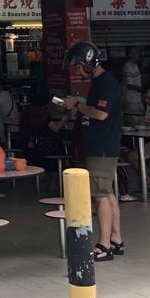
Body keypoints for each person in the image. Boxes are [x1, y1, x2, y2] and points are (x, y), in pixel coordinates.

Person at [61, 41, 124, 262]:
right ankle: (115, 239)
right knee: (107, 193)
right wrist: (80, 102)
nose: (77, 71)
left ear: (88, 62)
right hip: (101, 146)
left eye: (79, 66)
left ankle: (104, 244)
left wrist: (76, 105)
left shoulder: (106, 84)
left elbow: (100, 114)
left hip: (102, 147)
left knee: (100, 196)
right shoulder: (99, 83)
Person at [122, 48, 145, 123]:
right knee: (133, 120)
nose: (138, 55)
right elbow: (129, 85)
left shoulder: (135, 65)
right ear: (130, 55)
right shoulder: (127, 67)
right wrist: (143, 89)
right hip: (131, 99)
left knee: (141, 120)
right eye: (135, 53)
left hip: (137, 98)